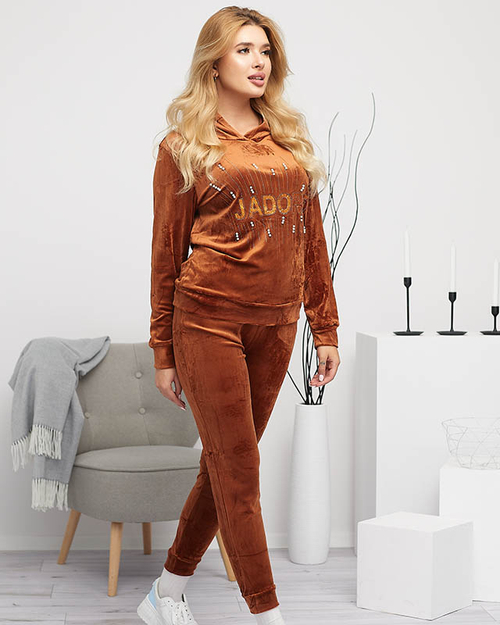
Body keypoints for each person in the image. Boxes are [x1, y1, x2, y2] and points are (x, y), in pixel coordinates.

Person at [137, 7, 341, 625]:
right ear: (214, 62)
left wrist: (324, 327)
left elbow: (311, 241)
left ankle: (167, 592)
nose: (259, 62)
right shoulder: (183, 147)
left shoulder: (288, 142)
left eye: (265, 51)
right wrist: (164, 350)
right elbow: (166, 255)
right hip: (207, 323)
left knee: (224, 466)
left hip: (276, 327)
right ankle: (266, 614)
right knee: (242, 472)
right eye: (244, 50)